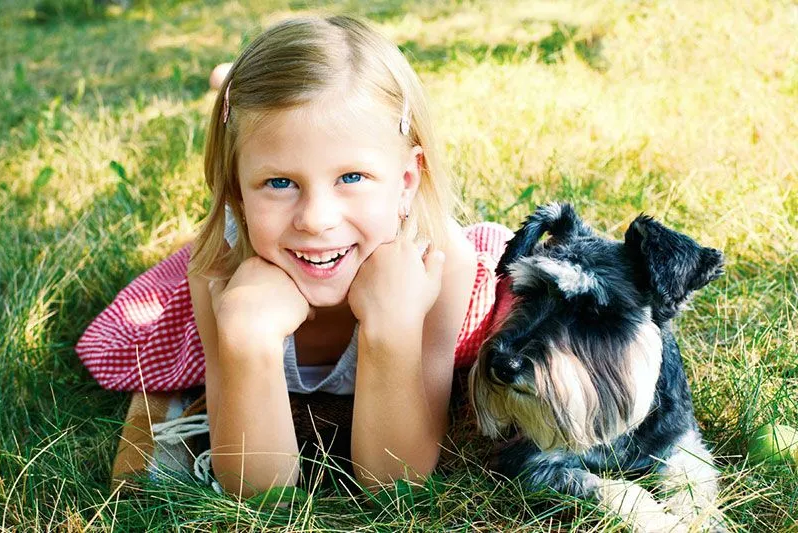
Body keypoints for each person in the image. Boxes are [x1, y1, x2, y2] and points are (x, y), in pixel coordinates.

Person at [76, 15, 513, 497]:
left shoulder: (442, 263)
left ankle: (232, 85)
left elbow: (395, 483)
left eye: (352, 177)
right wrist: (246, 338)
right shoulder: (219, 269)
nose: (316, 219)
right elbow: (256, 490)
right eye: (280, 182)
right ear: (238, 196)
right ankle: (228, 85)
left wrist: (392, 329)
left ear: (406, 182)